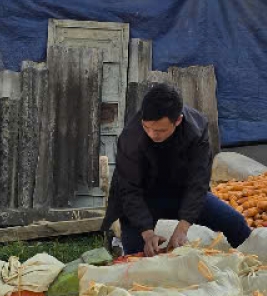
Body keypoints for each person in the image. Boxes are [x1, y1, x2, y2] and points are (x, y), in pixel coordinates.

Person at [102, 83, 253, 256]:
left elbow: (198, 182)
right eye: (146, 127)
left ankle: (256, 266)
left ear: (178, 120)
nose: (152, 134)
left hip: (182, 193)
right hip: (143, 198)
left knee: (235, 223)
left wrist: (183, 227)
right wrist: (147, 232)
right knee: (136, 254)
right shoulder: (130, 137)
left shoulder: (196, 130)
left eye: (160, 130)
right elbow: (129, 190)